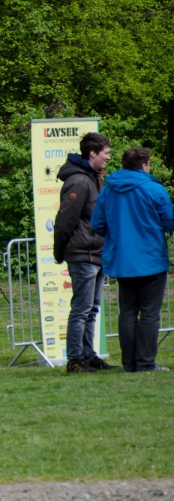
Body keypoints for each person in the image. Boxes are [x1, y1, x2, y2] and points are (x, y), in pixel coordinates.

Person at [91, 147, 174, 373]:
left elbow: (97, 224)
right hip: (151, 258)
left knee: (127, 311)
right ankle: (146, 363)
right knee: (149, 313)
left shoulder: (109, 190)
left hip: (122, 260)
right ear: (144, 165)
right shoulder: (154, 189)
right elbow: (170, 222)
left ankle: (129, 364)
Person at [52, 132, 117, 373]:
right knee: (81, 309)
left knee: (92, 308)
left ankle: (90, 356)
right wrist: (61, 252)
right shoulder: (79, 181)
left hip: (96, 252)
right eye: (106, 153)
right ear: (92, 153)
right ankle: (75, 361)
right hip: (83, 254)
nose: (108, 158)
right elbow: (65, 220)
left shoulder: (94, 178)